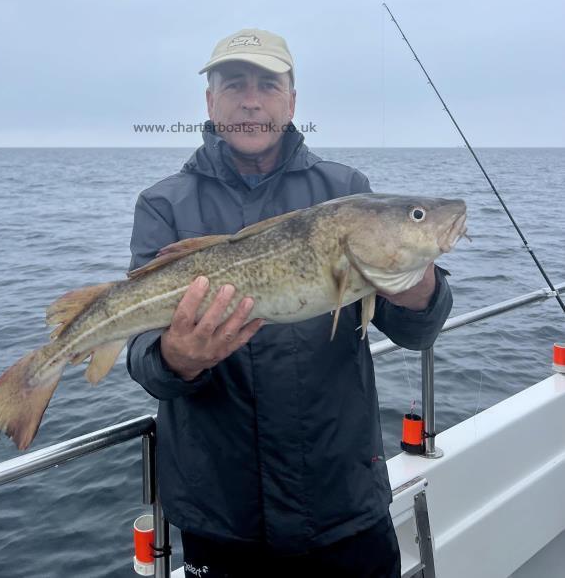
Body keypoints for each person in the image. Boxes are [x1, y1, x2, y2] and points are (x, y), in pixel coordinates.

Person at [127, 28, 453, 578]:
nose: (251, 99)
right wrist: (175, 358)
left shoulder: (346, 189)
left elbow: (415, 332)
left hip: (343, 500)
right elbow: (142, 355)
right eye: (234, 84)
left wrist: (420, 284)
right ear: (210, 101)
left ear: (292, 100)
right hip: (223, 516)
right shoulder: (163, 205)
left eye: (267, 84)